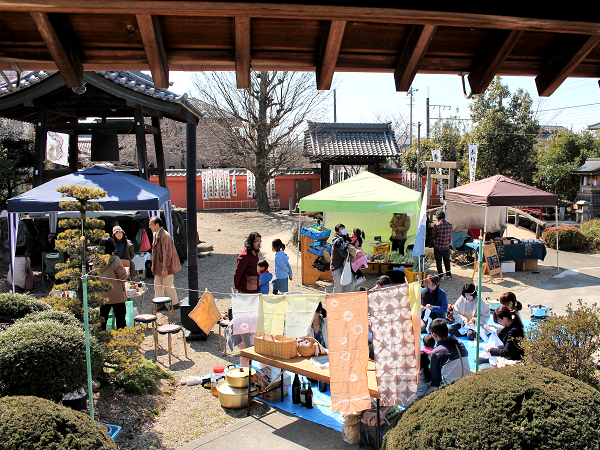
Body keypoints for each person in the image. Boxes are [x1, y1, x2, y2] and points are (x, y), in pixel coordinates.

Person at [233, 232, 262, 366]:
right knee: (245, 321)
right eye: (257, 241)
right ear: (251, 242)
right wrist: (239, 288)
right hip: (246, 292)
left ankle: (252, 347)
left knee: (253, 319)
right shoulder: (244, 256)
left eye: (260, 241)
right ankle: (247, 348)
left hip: (253, 290)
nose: (259, 243)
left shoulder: (254, 255)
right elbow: (237, 273)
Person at [426, 318, 471, 393]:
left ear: (434, 335)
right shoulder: (460, 344)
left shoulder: (436, 353)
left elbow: (435, 381)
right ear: (447, 330)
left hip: (453, 389)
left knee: (426, 391)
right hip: (468, 382)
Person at [149, 216, 181, 309]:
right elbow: (154, 251)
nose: (149, 226)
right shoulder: (156, 234)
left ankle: (174, 303)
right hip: (158, 265)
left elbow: (167, 254)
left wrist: (165, 269)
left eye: (151, 224)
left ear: (157, 225)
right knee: (157, 285)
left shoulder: (165, 236)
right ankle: (160, 304)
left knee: (168, 285)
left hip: (165, 266)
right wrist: (153, 264)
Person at [98, 237, 129, 330]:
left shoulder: (97, 261)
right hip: (116, 295)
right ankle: (122, 341)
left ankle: (101, 339)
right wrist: (126, 272)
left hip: (103, 294)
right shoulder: (115, 260)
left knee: (102, 320)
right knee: (121, 321)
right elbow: (123, 276)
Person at [330, 223, 354, 293]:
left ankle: (352, 300)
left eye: (344, 228)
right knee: (338, 287)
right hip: (336, 266)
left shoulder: (346, 239)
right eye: (341, 229)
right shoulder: (337, 241)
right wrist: (353, 254)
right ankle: (334, 302)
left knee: (351, 285)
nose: (344, 230)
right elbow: (344, 254)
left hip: (345, 266)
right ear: (337, 232)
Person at [432, 210, 452, 279]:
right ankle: (448, 274)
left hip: (438, 246)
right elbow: (449, 234)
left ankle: (441, 276)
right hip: (446, 246)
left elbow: (434, 236)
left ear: (437, 218)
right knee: (447, 261)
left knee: (439, 262)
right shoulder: (450, 224)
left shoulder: (436, 226)